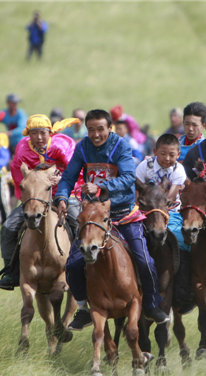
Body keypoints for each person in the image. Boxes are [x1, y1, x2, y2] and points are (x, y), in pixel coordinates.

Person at [54, 109, 170, 329]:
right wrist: (61, 196)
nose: (96, 134)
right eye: (91, 130)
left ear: (110, 128)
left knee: (145, 261)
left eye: (100, 129)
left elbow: (128, 178)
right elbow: (68, 178)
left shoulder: (122, 146)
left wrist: (100, 186)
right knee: (73, 264)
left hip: (123, 214)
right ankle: (83, 309)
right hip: (94, 217)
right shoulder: (82, 147)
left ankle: (152, 305)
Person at [0, 114, 81, 290]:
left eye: (43, 133)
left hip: (63, 194)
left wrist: (62, 180)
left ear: (50, 133)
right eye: (34, 133)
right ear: (28, 135)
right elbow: (18, 176)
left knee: (79, 222)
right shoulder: (22, 148)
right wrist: (27, 198)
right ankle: (12, 272)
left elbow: (75, 170)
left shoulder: (61, 146)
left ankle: (82, 267)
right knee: (9, 227)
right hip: (34, 198)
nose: (39, 138)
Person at [136, 134, 195, 313]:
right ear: (155, 152)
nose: (167, 158)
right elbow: (137, 195)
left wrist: (160, 213)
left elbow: (168, 199)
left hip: (171, 212)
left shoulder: (178, 170)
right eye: (163, 154)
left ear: (178, 154)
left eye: (172, 155)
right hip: (145, 212)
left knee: (183, 241)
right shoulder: (144, 167)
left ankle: (181, 288)